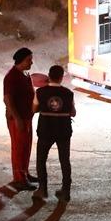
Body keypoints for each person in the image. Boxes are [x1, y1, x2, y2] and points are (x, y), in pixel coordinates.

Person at [34, 64, 77, 201]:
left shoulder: (40, 92)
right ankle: (65, 191)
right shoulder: (69, 93)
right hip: (63, 131)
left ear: (49, 75)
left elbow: (34, 109)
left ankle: (42, 189)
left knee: (41, 160)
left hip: (45, 130)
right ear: (61, 78)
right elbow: (73, 113)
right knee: (64, 161)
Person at [3, 47, 37, 189]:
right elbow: (8, 99)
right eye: (29, 60)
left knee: (26, 147)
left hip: (26, 116)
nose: (31, 62)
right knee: (18, 148)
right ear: (21, 61)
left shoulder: (24, 74)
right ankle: (19, 179)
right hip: (18, 118)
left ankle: (25, 173)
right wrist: (17, 119)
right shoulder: (11, 77)